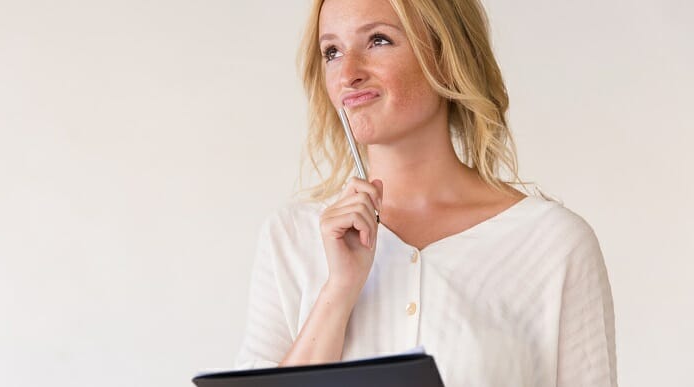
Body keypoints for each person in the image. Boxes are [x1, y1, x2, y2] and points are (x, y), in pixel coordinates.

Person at [235, 0, 617, 385]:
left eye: (378, 40)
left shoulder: (554, 244)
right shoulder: (290, 238)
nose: (347, 74)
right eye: (332, 51)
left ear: (447, 56)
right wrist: (338, 291)